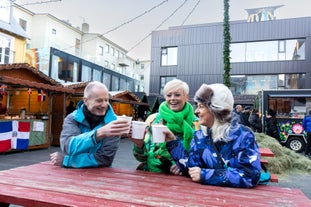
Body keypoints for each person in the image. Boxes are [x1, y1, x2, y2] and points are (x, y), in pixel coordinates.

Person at [164, 83, 261, 188]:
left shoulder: (243, 135)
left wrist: (205, 175)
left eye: (201, 106)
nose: (196, 111)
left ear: (216, 110)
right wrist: (172, 141)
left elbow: (249, 176)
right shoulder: (199, 135)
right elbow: (191, 168)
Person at [50, 81, 130, 168]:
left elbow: (105, 159)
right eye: (99, 100)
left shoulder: (114, 122)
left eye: (106, 100)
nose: (104, 105)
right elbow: (68, 147)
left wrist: (68, 161)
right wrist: (98, 134)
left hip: (101, 176)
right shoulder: (72, 118)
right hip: (73, 176)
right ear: (86, 101)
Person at [129, 79, 198, 174]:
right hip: (152, 174)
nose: (172, 98)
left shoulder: (197, 123)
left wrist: (184, 164)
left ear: (186, 97)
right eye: (169, 95)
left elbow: (202, 157)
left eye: (177, 95)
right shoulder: (153, 119)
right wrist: (139, 144)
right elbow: (142, 158)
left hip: (182, 178)